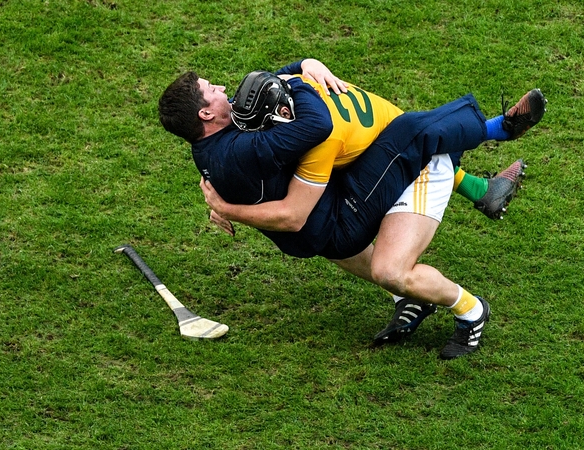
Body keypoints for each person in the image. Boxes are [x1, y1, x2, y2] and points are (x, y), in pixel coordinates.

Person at [158, 59, 545, 358]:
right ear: (207, 115)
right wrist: (301, 76)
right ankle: (486, 174)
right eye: (212, 90)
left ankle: (469, 298)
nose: (223, 87)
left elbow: (286, 130)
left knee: (389, 264)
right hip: (370, 179)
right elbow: (311, 136)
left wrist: (300, 67)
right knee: (402, 141)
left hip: (383, 186)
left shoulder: (234, 143)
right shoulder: (267, 135)